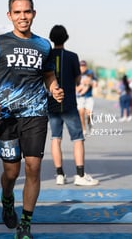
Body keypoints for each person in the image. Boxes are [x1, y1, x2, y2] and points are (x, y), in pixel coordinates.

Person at [0, 0, 64, 239]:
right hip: (7, 116)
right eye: (17, 12)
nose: (23, 16)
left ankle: (25, 223)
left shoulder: (43, 45)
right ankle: (8, 198)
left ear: (34, 14)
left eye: (27, 11)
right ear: (10, 15)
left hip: (36, 113)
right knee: (11, 173)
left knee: (33, 167)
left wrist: (55, 88)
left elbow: (48, 75)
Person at [47, 25, 99, 187]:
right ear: (66, 38)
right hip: (69, 103)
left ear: (51, 38)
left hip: (52, 104)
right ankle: (80, 175)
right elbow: (78, 80)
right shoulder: (72, 56)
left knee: (56, 138)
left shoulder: (46, 56)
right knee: (78, 139)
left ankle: (60, 175)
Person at [76, 60, 97, 136]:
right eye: (81, 66)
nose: (82, 68)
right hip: (79, 97)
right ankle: (83, 129)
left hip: (88, 97)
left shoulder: (90, 73)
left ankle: (89, 124)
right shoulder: (76, 73)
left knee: (89, 114)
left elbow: (95, 84)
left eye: (84, 66)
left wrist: (89, 82)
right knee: (81, 113)